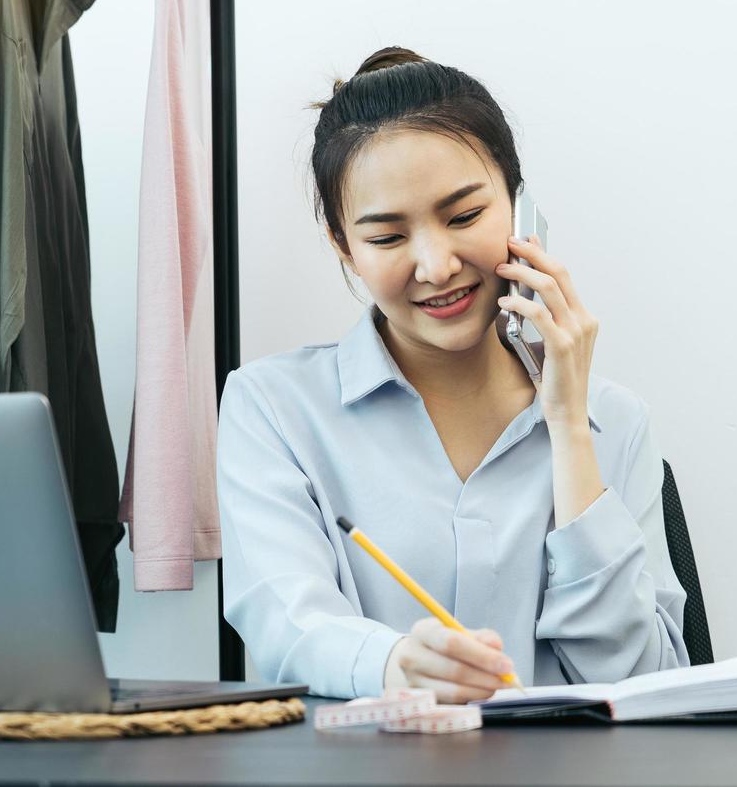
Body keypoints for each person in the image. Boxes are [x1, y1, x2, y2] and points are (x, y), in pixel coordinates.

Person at [217, 48, 688, 703]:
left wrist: (570, 429)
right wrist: (393, 665)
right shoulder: (272, 408)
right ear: (342, 245)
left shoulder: (615, 422)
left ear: (521, 211)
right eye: (386, 238)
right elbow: (286, 624)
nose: (436, 265)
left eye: (464, 216)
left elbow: (645, 684)